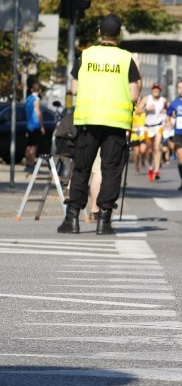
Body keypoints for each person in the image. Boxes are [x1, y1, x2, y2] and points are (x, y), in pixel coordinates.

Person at [58, 13, 142, 235]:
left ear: (99, 32)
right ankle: (104, 220)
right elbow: (134, 94)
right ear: (119, 34)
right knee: (111, 170)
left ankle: (72, 217)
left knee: (82, 168)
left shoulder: (86, 56)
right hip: (115, 123)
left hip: (88, 120)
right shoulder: (126, 59)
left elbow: (74, 88)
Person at [142, 83, 168, 181]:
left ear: (160, 91)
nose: (156, 90)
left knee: (157, 147)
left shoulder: (163, 100)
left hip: (158, 126)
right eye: (154, 89)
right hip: (148, 127)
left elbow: (168, 109)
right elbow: (138, 110)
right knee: (149, 150)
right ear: (152, 90)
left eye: (158, 89)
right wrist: (146, 109)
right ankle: (150, 166)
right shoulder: (146, 99)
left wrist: (167, 115)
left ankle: (157, 170)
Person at [24, 80, 45, 174]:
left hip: (28, 125)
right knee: (34, 147)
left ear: (32, 89)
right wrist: (42, 126)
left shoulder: (28, 99)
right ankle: (32, 165)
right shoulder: (36, 100)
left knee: (28, 146)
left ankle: (27, 164)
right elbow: (38, 113)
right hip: (35, 124)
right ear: (39, 90)